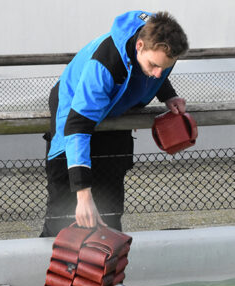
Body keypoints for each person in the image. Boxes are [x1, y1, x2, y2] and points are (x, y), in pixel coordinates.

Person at [40, 10, 189, 237]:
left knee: (109, 216)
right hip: (74, 118)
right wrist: (83, 195)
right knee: (63, 218)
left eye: (165, 67)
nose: (158, 74)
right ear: (139, 46)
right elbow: (77, 127)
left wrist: (168, 95)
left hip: (115, 118)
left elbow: (159, 73)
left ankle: (106, 269)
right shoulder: (105, 65)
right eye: (153, 65)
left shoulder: (161, 47)